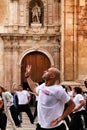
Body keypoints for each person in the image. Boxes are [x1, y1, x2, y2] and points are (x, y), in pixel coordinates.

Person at [25, 65, 75, 130]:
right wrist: (27, 76)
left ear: (52, 76)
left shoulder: (58, 90)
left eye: (47, 71)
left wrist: (60, 119)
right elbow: (34, 88)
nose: (44, 71)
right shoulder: (42, 86)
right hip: (41, 126)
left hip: (55, 127)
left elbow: (72, 104)